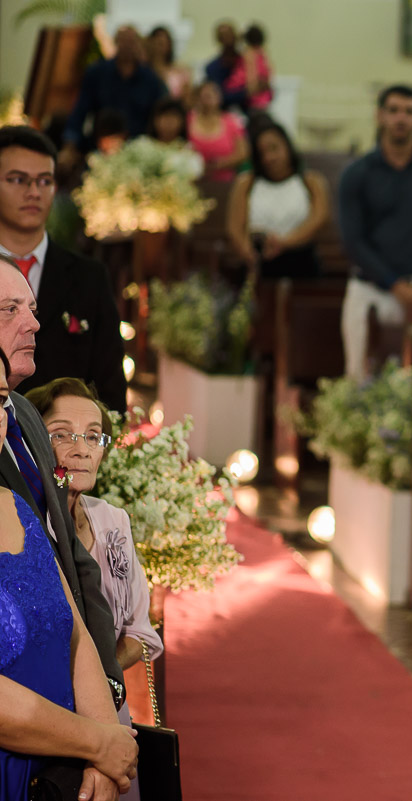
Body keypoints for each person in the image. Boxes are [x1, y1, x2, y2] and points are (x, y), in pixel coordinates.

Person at [0, 341, 134, 801]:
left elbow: (75, 628)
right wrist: (98, 743)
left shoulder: (16, 505)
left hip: (57, 767)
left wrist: (99, 751)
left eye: (1, 401)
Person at [27, 377, 165, 801]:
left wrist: (99, 682)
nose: (81, 448)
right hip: (46, 723)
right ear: (31, 440)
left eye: (93, 436)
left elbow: (142, 634)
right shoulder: (27, 526)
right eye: (61, 434)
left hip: (112, 713)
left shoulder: (113, 523)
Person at [0, 126, 127, 412]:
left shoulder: (89, 278)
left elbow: (111, 391)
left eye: (44, 181)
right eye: (18, 179)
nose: (34, 192)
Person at [337, 85, 412, 381]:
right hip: (368, 290)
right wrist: (395, 285)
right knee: (360, 381)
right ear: (380, 116)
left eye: (409, 111)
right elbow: (353, 241)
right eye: (393, 111)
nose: (401, 118)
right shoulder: (357, 174)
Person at [226, 120, 329, 279]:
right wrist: (247, 252)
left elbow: (318, 219)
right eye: (262, 153)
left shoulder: (311, 182)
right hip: (258, 258)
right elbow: (235, 228)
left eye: (274, 148)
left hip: (300, 258)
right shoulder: (246, 183)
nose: (269, 157)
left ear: (287, 145)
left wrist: (284, 242)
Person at [61, 25, 166, 166]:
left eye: (132, 42)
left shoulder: (151, 80)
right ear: (116, 43)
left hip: (137, 153)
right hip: (100, 149)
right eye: (124, 41)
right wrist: (69, 146)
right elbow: (80, 110)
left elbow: (159, 115)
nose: (127, 46)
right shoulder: (97, 73)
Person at [188, 81, 249, 182]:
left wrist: (220, 164)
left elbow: (243, 153)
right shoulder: (189, 120)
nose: (208, 97)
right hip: (193, 180)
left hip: (225, 181)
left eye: (213, 93)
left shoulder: (231, 121)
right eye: (204, 94)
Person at [225, 24, 273, 112]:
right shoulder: (262, 53)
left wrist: (250, 92)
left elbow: (251, 77)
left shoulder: (249, 54)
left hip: (253, 97)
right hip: (261, 95)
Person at [204, 20, 247, 111]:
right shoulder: (212, 68)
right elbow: (219, 95)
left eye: (230, 35)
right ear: (218, 40)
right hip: (222, 112)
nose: (228, 39)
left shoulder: (247, 62)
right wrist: (247, 92)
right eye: (223, 36)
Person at [146, 25, 191, 100]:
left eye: (162, 44)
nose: (159, 48)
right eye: (156, 44)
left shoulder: (180, 71)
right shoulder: (145, 71)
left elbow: (187, 98)